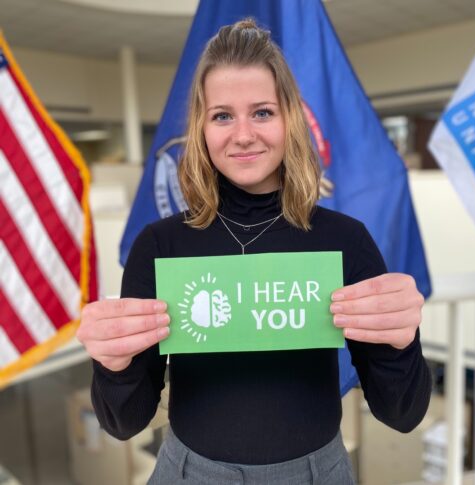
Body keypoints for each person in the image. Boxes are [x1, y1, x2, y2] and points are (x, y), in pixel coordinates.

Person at [77, 19, 431, 485]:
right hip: (188, 474)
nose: (243, 135)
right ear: (201, 128)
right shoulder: (159, 246)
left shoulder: (346, 240)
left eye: (262, 112)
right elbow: (124, 422)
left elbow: (401, 414)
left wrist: (402, 344)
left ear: (290, 119)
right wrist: (113, 364)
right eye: (223, 115)